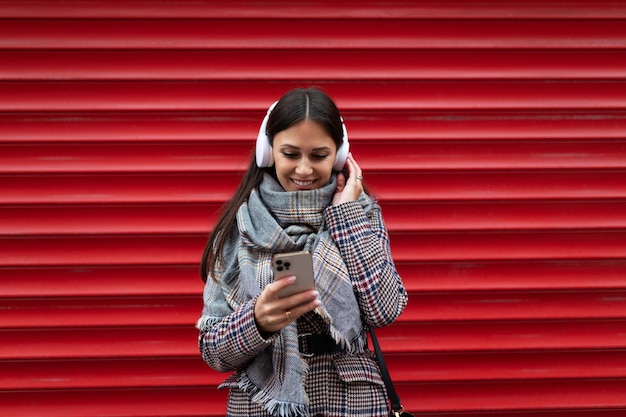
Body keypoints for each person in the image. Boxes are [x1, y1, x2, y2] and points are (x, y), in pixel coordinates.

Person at [196, 87, 408, 417]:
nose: (305, 170)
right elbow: (212, 351)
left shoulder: (360, 214)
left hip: (351, 404)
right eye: (291, 154)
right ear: (268, 153)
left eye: (319, 155)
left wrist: (345, 217)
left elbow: (384, 309)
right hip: (261, 407)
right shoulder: (239, 227)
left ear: (339, 155)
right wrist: (257, 322)